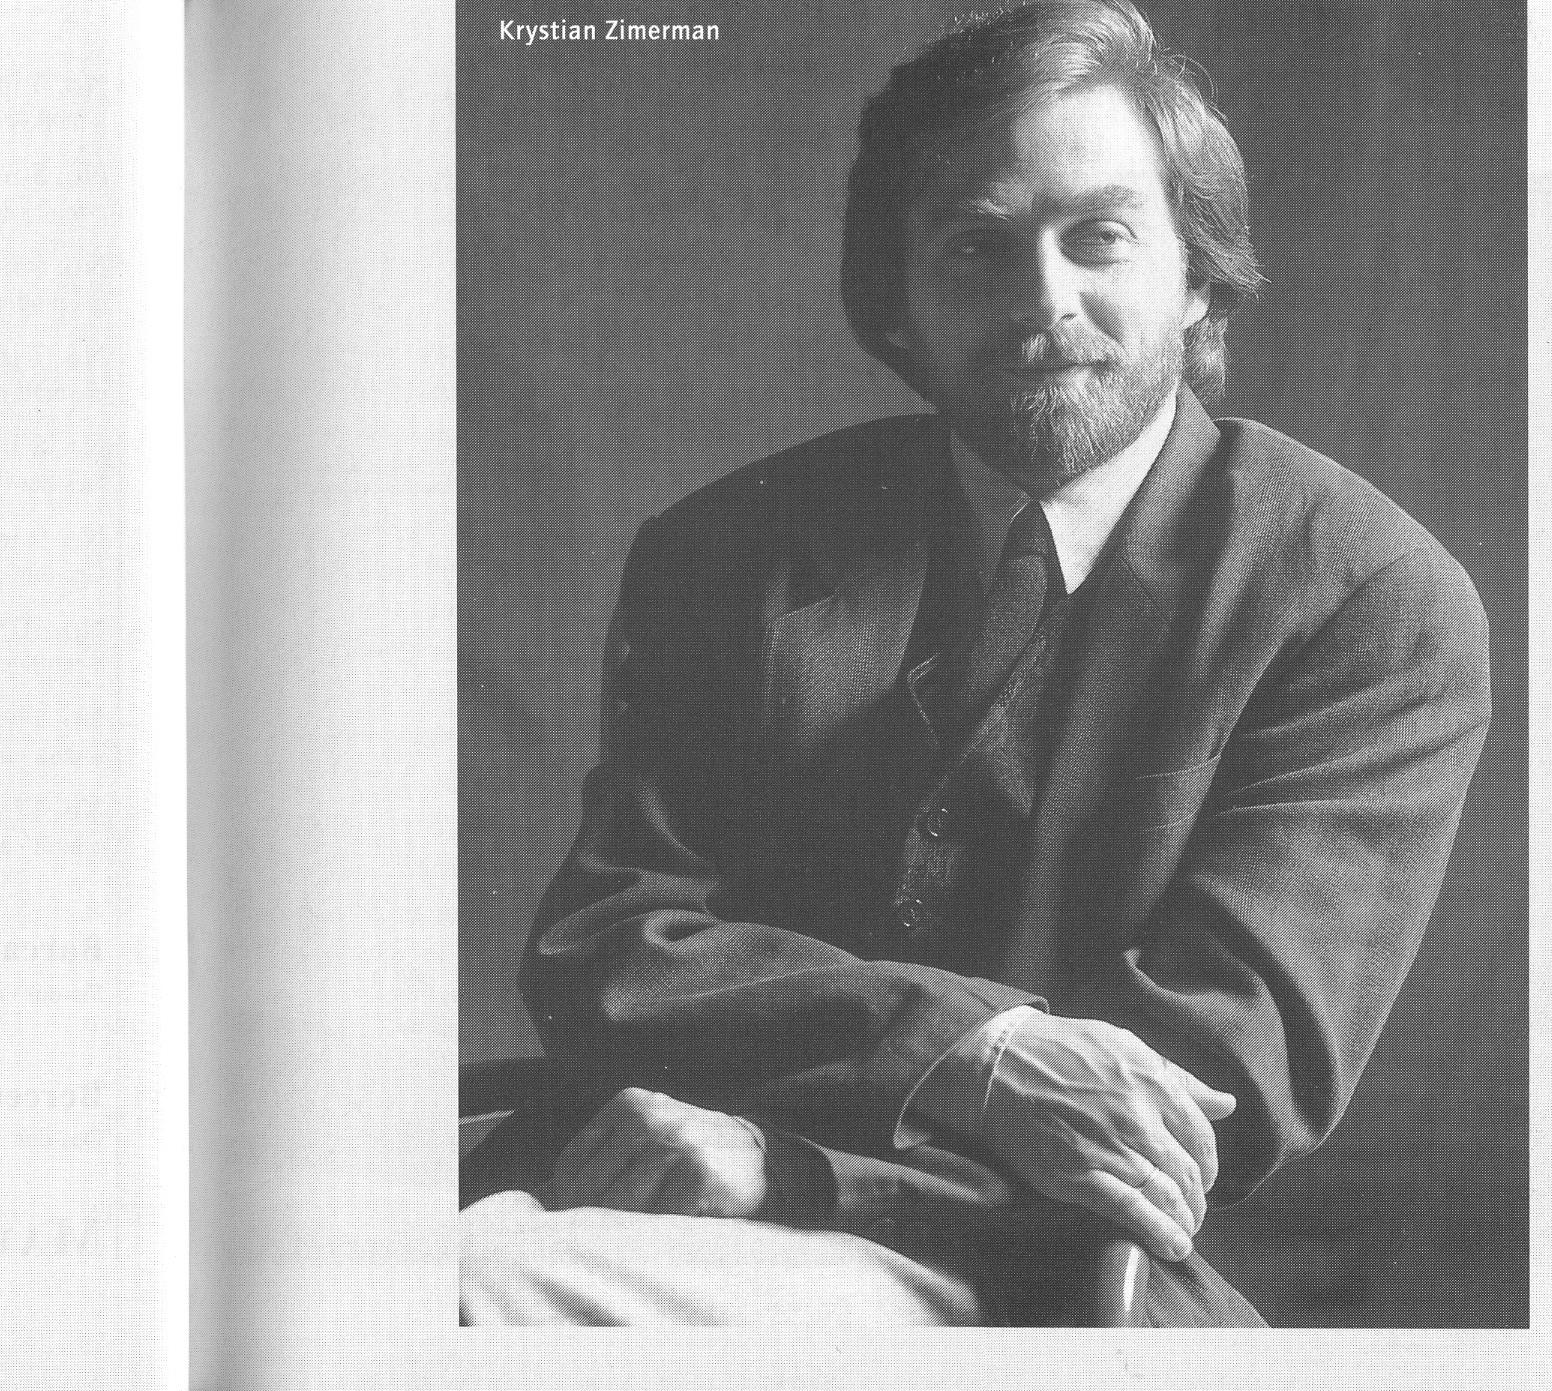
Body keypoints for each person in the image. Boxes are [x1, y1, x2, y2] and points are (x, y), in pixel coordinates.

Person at [461, 0, 1489, 1327]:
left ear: (1197, 274)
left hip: (1043, 1275)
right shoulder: (724, 550)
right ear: (895, 304)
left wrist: (794, 1164)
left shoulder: (1368, 596)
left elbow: (1192, 1102)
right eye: (973, 246)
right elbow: (611, 952)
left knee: (482, 1292)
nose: (1040, 300)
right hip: (647, 1180)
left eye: (1098, 235)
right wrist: (973, 1051)